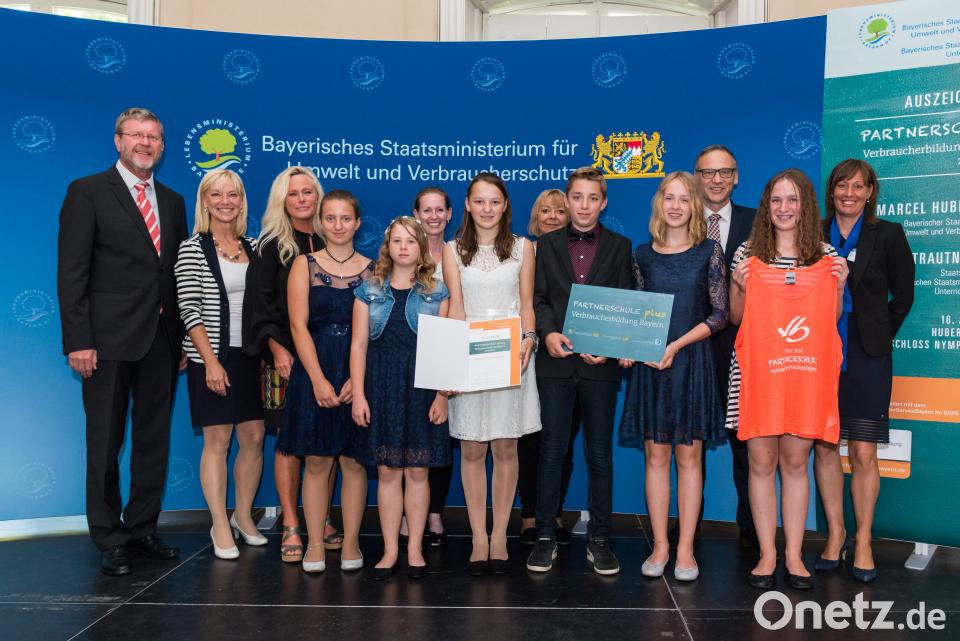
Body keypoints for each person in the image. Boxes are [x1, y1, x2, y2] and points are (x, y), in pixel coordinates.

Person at [57, 107, 187, 576]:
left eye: (154, 136)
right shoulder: (87, 191)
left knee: (153, 441)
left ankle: (142, 528)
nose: (145, 143)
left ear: (163, 146)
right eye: (137, 135)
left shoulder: (172, 201)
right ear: (118, 141)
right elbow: (72, 272)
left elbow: (173, 274)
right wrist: (79, 339)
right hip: (105, 342)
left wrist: (181, 339)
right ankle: (109, 537)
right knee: (105, 442)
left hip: (162, 341)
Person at [727, 168, 848, 590]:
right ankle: (767, 554)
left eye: (792, 199)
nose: (784, 208)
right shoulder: (747, 255)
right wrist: (740, 287)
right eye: (776, 200)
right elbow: (736, 318)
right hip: (759, 376)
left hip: (804, 376)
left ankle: (794, 555)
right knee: (761, 464)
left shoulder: (826, 256)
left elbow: (829, 320)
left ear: (805, 205)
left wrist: (837, 288)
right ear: (767, 206)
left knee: (796, 464)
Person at [619, 171, 728, 582]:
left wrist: (676, 346)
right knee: (656, 457)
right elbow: (636, 313)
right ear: (659, 203)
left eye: (684, 198)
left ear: (694, 205)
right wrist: (629, 346)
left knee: (689, 458)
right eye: (669, 197)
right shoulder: (642, 254)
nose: (676, 206)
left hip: (691, 364)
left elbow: (719, 315)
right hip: (651, 369)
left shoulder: (708, 252)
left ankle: (685, 549)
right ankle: (661, 546)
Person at [526, 167, 633, 576]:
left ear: (603, 202)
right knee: (552, 450)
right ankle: (545, 537)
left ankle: (600, 539)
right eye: (577, 197)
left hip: (600, 368)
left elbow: (624, 302)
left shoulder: (621, 246)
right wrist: (549, 333)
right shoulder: (546, 245)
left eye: (593, 198)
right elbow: (538, 297)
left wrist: (610, 346)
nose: (584, 205)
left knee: (599, 454)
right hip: (555, 363)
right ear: (567, 200)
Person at [813, 159, 914, 583]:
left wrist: (877, 332)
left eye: (858, 186)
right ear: (832, 190)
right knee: (824, 447)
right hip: (817, 351)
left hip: (867, 353)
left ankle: (865, 539)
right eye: (842, 185)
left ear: (870, 191)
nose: (849, 193)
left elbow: (904, 295)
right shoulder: (813, 232)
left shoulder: (887, 234)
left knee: (863, 451)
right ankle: (835, 534)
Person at [442, 172, 540, 576]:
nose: (487, 209)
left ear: (505, 206)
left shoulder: (523, 247)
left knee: (505, 448)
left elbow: (527, 303)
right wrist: (453, 362)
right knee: (471, 449)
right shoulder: (451, 250)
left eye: (494, 202)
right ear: (467, 205)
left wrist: (529, 338)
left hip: (511, 354)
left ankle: (499, 536)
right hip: (470, 354)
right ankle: (478, 538)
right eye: (479, 201)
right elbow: (456, 307)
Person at [278, 190, 373, 573]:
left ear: (357, 222)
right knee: (317, 461)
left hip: (357, 373)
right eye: (330, 218)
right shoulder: (304, 265)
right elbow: (297, 326)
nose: (338, 225)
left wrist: (357, 381)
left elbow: (375, 331)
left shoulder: (374, 269)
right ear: (320, 222)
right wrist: (317, 379)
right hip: (314, 370)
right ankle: (315, 544)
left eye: (345, 218)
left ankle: (350, 544)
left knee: (353, 462)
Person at [250, 167, 342, 563]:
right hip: (283, 358)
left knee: (327, 439)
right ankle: (290, 522)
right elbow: (260, 304)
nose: (302, 199)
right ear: (281, 201)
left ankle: (320, 518)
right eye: (293, 194)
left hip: (329, 357)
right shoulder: (270, 246)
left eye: (308, 192)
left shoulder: (332, 239)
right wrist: (275, 348)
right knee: (288, 440)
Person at [351, 217, 451, 580]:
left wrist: (442, 395)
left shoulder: (438, 292)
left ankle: (414, 549)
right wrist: (358, 394)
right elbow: (358, 346)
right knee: (387, 471)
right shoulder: (368, 291)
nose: (404, 247)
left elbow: (445, 348)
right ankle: (390, 549)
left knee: (419, 471)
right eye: (397, 241)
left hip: (422, 388)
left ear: (422, 247)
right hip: (381, 387)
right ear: (387, 247)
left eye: (411, 241)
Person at [175, 169, 265, 559]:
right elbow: (188, 308)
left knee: (255, 438)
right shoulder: (192, 249)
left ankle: (242, 516)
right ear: (205, 201)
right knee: (219, 441)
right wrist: (210, 362)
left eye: (232, 194)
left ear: (242, 201)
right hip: (211, 358)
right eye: (217, 194)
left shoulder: (255, 246)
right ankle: (219, 523)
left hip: (251, 358)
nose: (225, 201)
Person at [694, 145, 758, 551]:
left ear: (736, 177)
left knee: (746, 443)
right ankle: (690, 527)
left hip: (745, 348)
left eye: (724, 172)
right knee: (691, 444)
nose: (716, 180)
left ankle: (752, 528)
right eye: (708, 172)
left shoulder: (759, 222)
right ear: (697, 177)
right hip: (693, 346)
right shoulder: (679, 219)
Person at [518, 189, 576, 544]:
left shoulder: (579, 255)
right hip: (528, 358)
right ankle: (529, 515)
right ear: (535, 218)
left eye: (559, 211)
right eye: (545, 211)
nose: (552, 217)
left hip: (568, 359)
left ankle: (554, 513)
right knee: (530, 440)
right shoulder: (522, 253)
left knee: (563, 440)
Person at [410, 186, 455, 547]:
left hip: (447, 349)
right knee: (411, 436)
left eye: (440, 210)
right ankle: (410, 515)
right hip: (407, 355)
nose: (434, 216)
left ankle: (435, 512)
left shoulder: (458, 253)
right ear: (416, 214)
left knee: (440, 433)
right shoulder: (403, 249)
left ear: (450, 214)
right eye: (427, 210)